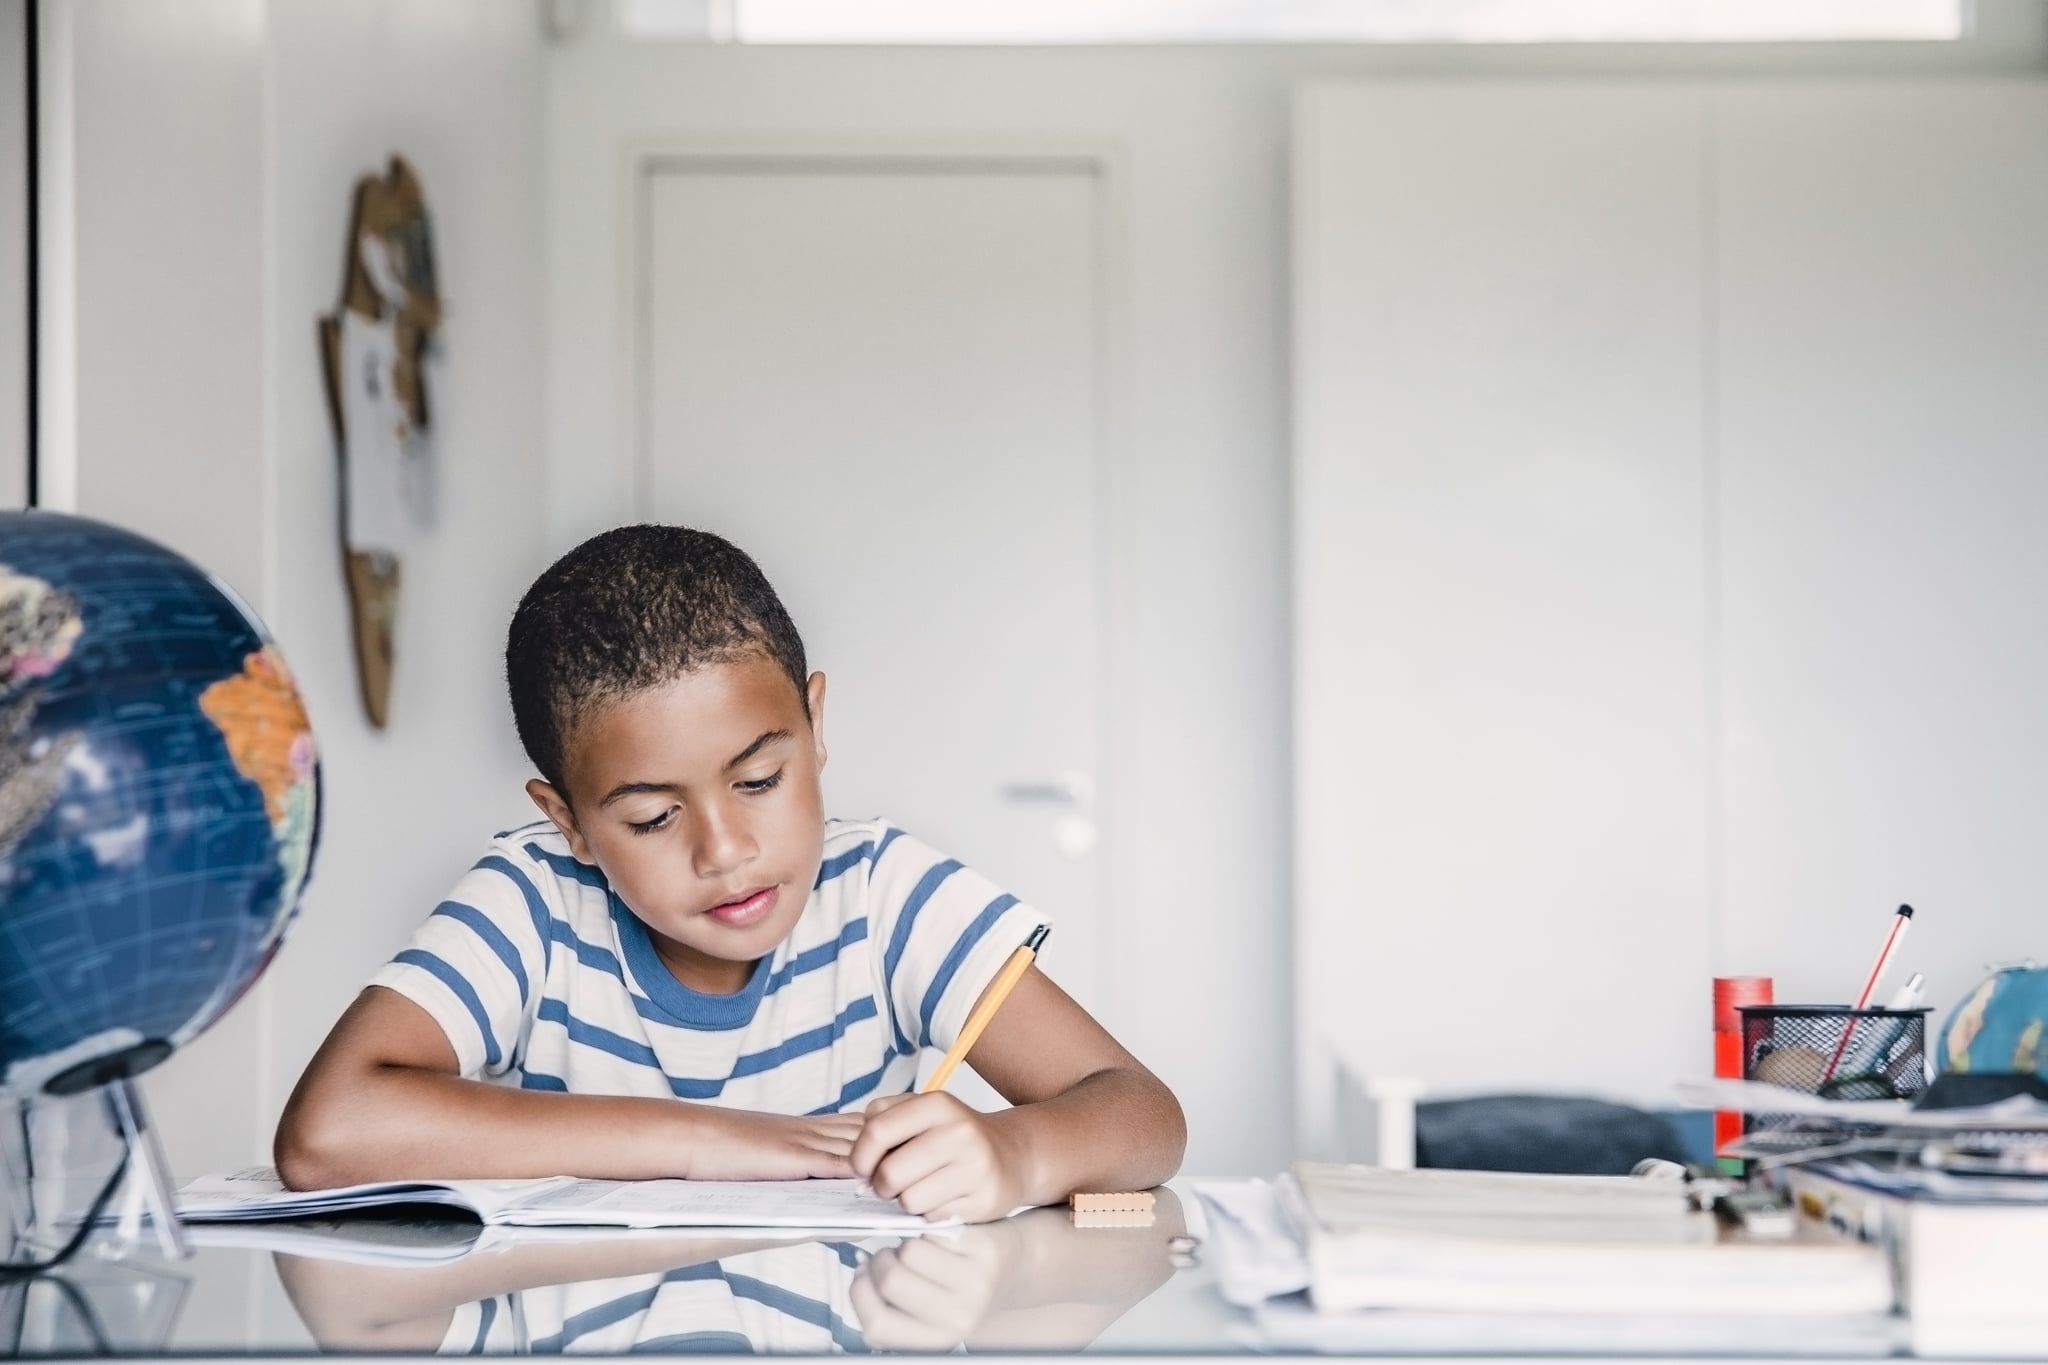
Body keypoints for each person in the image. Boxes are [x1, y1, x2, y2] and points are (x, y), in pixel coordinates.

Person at [275, 525, 1184, 1223]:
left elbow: (1143, 1113)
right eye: (651, 816)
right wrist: (721, 1140)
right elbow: (327, 1133)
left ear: (814, 723)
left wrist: (1013, 1152)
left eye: (758, 779)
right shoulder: (534, 900)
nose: (725, 850)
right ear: (571, 823)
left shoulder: (886, 897)